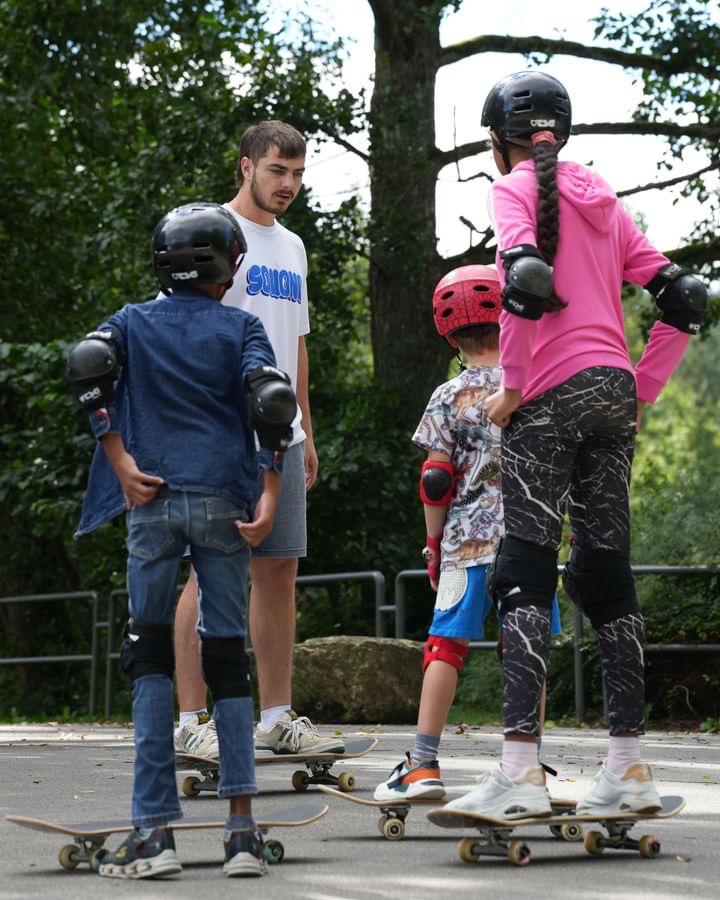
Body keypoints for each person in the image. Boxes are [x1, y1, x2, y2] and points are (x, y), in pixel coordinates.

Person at [444, 71, 707, 820]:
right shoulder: (604, 197)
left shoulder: (511, 189)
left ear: (498, 142)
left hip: (549, 394)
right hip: (612, 390)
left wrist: (515, 386)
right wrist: (641, 390)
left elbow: (522, 283)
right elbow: (683, 295)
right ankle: (627, 767)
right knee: (605, 574)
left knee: (523, 570)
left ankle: (521, 770)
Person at [70, 202, 297, 878]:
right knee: (227, 657)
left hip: (152, 499)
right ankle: (241, 835)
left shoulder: (132, 322)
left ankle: (154, 835)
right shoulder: (241, 326)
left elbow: (88, 363)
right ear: (229, 266)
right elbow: (272, 399)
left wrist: (118, 458)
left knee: (148, 657)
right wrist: (270, 492)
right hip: (226, 506)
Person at [172, 121, 343, 759]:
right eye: (278, 171)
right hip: (221, 428)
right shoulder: (208, 231)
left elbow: (294, 342)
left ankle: (276, 717)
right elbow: (182, 327)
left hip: (283, 435)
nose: (289, 185)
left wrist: (306, 428)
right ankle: (192, 721)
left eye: (298, 174)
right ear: (246, 166)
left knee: (278, 573)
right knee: (208, 570)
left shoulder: (294, 246)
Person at [374, 266, 561, 802]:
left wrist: (434, 545)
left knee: (445, 648)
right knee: (525, 650)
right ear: (508, 320)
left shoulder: (448, 394)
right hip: (530, 542)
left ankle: (423, 765)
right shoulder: (532, 384)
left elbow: (435, 480)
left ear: (450, 335)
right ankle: (526, 765)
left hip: (465, 544)